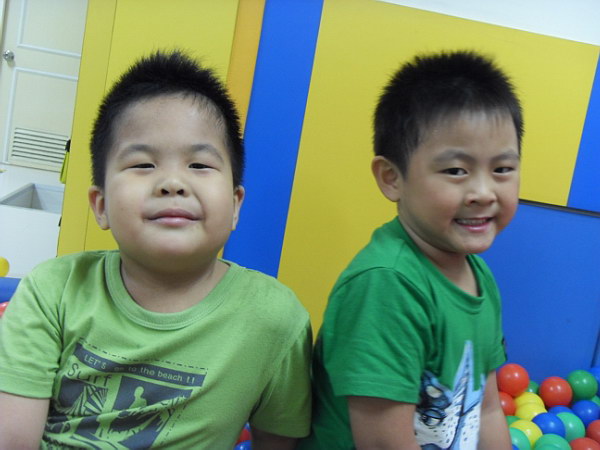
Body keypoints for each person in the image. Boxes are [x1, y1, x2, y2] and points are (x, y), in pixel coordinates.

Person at [0, 50, 312, 449]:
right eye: (143, 165)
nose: (172, 183)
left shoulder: (276, 320)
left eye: (199, 165)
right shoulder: (53, 290)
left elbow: (278, 442)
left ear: (235, 205)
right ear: (101, 205)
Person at [300, 50, 522, 449]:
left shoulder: (478, 275)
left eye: (502, 169)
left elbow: (487, 410)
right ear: (392, 178)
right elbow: (383, 444)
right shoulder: (386, 286)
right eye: (456, 171)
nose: (484, 192)